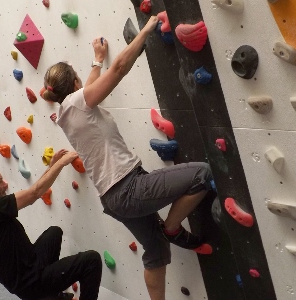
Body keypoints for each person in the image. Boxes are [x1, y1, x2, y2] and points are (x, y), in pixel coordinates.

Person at [41, 16, 215, 300]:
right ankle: (171, 227)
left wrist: (97, 61)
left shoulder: (65, 111)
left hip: (113, 199)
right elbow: (119, 68)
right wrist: (146, 29)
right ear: (74, 82)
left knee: (156, 251)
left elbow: (89, 89)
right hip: (128, 189)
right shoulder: (78, 103)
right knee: (202, 174)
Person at [0, 149, 102, 300]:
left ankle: (52, 295)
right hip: (30, 283)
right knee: (91, 260)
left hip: (30, 267)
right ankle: (44, 293)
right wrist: (61, 164)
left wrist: (51, 166)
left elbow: (33, 191)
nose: (5, 184)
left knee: (54, 232)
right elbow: (34, 194)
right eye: (0, 181)